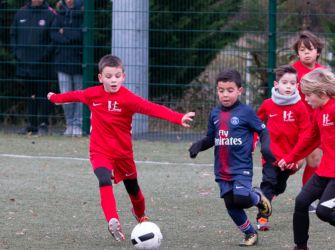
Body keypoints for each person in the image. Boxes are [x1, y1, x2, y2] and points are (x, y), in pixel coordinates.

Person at [47, 55, 195, 242]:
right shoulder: (93, 94)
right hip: (100, 151)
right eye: (108, 76)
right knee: (103, 179)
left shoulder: (128, 98)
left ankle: (140, 215)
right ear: (101, 78)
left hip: (123, 154)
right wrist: (55, 98)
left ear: (123, 76)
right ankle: (113, 220)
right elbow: (75, 95)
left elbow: (151, 108)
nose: (113, 80)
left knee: (133, 190)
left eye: (117, 76)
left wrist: (177, 117)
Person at [277, 68, 335, 250]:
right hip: (325, 171)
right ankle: (301, 246)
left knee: (323, 211)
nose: (305, 99)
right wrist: (290, 157)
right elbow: (310, 138)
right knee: (301, 202)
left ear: (322, 93)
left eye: (308, 95)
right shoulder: (319, 111)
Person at [188, 69, 272, 246]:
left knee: (241, 198)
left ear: (239, 91)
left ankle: (257, 198)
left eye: (230, 90)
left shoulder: (246, 112)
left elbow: (263, 130)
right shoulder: (215, 114)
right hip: (222, 169)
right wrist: (199, 146)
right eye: (221, 90)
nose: (225, 94)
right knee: (231, 204)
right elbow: (212, 138)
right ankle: (250, 233)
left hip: (241, 167)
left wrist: (266, 148)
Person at [254, 65, 310, 231]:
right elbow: (256, 123)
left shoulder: (300, 107)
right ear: (276, 84)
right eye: (285, 82)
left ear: (297, 86)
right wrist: (253, 139)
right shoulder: (268, 104)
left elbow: (306, 133)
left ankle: (265, 197)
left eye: (292, 83)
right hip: (271, 157)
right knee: (268, 184)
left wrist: (298, 156)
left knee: (280, 187)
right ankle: (262, 217)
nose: (288, 86)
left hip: (290, 157)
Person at [10, 0, 57, 135]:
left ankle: (43, 124)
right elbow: (13, 35)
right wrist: (17, 53)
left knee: (43, 94)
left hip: (43, 65)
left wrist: (43, 56)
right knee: (30, 95)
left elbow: (53, 39)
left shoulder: (50, 14)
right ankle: (31, 124)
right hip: (24, 64)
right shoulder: (21, 13)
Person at [291, 30, 325, 212]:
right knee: (296, 164)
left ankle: (308, 197)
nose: (306, 52)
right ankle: (270, 189)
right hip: (296, 124)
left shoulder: (323, 73)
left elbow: (330, 97)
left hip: (317, 125)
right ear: (298, 52)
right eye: (302, 49)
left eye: (310, 49)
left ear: (317, 52)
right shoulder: (292, 71)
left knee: (315, 160)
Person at [51, 0, 84, 136]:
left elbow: (81, 35)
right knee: (65, 95)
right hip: (62, 61)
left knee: (79, 95)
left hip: (79, 61)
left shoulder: (83, 14)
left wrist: (65, 33)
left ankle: (78, 125)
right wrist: (69, 38)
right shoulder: (59, 14)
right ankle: (69, 124)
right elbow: (53, 33)